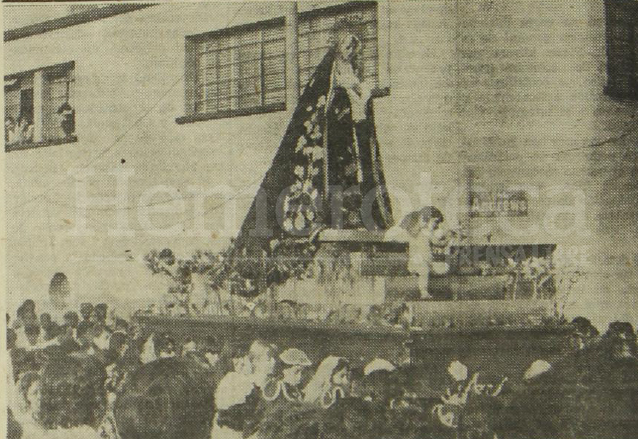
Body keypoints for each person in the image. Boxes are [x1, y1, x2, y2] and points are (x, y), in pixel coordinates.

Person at [387, 206, 447, 299]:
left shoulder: (428, 234)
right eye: (435, 222)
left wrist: (447, 240)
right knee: (424, 270)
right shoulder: (417, 232)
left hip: (427, 262)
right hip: (417, 262)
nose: (436, 225)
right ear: (426, 220)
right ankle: (424, 292)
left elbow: (437, 243)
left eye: (437, 223)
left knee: (440, 269)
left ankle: (440, 291)